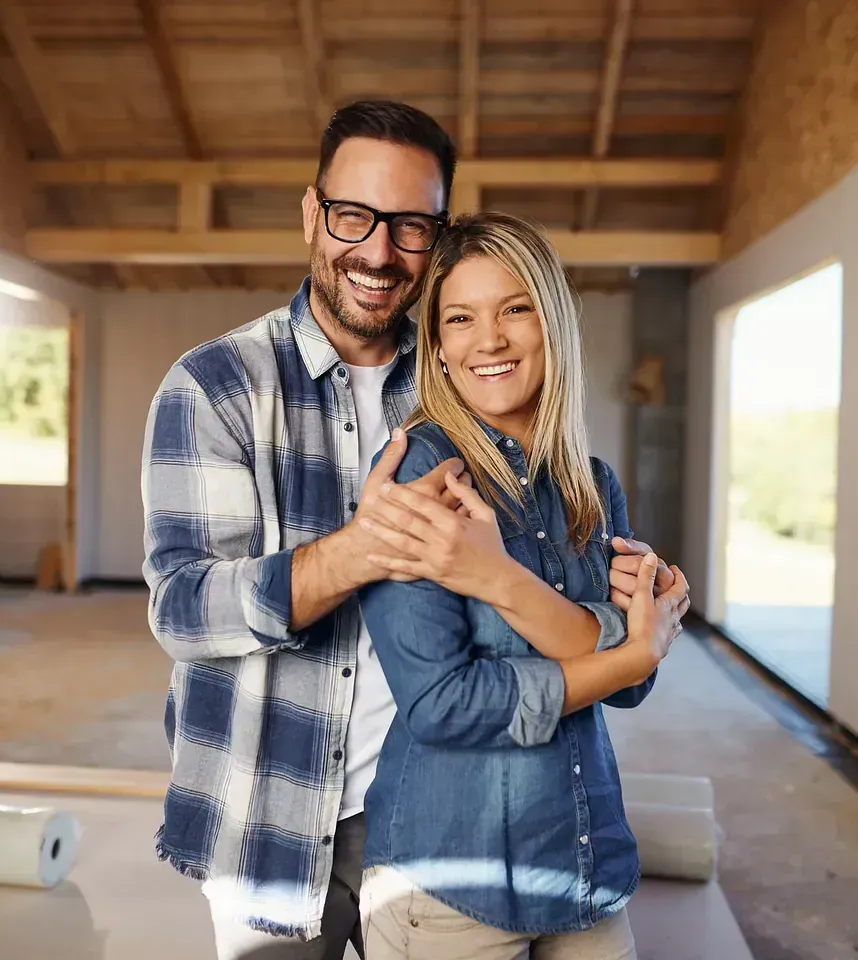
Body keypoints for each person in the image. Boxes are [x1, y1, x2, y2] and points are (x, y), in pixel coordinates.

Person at [140, 101, 684, 959]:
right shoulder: (219, 387)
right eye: (355, 216)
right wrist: (358, 550)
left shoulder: (459, 392)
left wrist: (631, 612)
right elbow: (183, 610)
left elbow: (590, 629)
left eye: (411, 225)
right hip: (273, 817)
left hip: (434, 810)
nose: (380, 250)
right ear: (313, 214)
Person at [353, 212, 691, 959]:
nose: (490, 340)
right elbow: (443, 703)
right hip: (450, 884)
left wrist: (503, 583)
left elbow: (631, 687)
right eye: (460, 319)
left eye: (515, 308)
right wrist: (625, 649)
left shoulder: (591, 487)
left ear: (553, 322)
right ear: (438, 347)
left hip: (583, 863)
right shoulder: (420, 473)